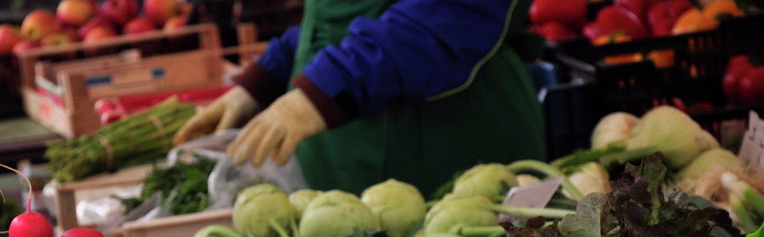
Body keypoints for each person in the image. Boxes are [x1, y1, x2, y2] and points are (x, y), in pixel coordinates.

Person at [173, 0, 546, 197]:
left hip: (440, 152)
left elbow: (442, 17)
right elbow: (347, 14)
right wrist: (265, 79)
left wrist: (324, 90)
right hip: (346, 169)